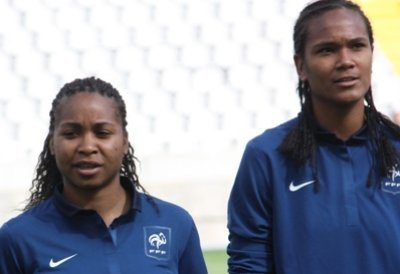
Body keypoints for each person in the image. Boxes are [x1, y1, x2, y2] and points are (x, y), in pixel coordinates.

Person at [227, 0, 400, 273]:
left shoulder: (396, 147)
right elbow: (249, 264)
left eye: (357, 46)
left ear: (371, 54)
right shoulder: (266, 156)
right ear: (301, 66)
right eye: (327, 50)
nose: (346, 61)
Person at [0, 77, 208, 274]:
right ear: (52, 143)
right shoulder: (17, 239)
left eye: (102, 133)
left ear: (125, 141)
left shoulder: (175, 223)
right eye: (71, 134)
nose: (87, 146)